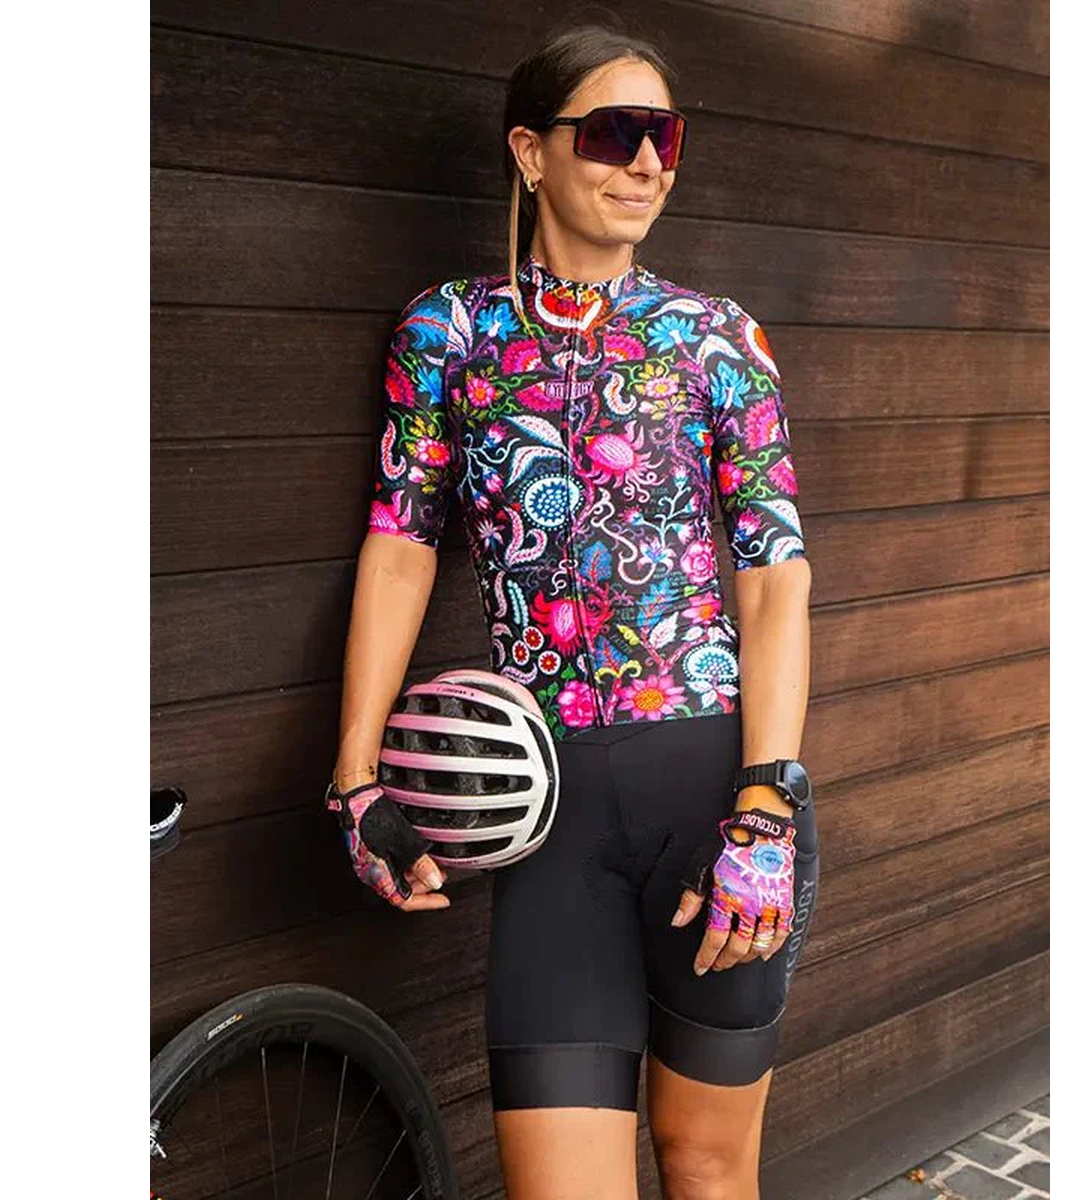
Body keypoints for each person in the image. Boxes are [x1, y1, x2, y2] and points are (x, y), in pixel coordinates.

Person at [327, 22, 817, 1200]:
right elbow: (400, 546)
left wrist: (766, 805)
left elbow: (774, 575)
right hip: (551, 832)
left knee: (707, 1169)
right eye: (613, 133)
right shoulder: (446, 334)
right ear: (530, 152)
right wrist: (354, 776)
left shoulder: (718, 339)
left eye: (665, 138)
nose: (646, 162)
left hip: (715, 805)